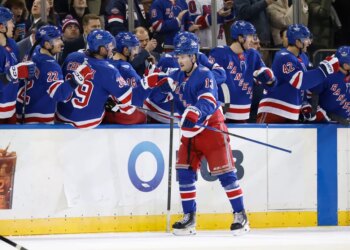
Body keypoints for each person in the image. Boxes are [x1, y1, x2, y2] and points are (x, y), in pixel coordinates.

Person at [144, 31, 249, 235]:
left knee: (226, 174)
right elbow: (161, 89)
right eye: (178, 56)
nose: (180, 59)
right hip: (191, 131)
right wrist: (152, 83)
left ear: (193, 56)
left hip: (212, 128)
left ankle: (240, 215)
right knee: (184, 172)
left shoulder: (204, 74)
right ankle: (189, 218)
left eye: (184, 56)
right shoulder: (176, 75)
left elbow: (208, 100)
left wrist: (195, 111)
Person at [257, 24, 340, 123]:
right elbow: (300, 81)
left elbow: (309, 83)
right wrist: (325, 69)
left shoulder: (303, 57)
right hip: (274, 110)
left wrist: (305, 103)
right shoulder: (283, 57)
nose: (309, 42)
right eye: (306, 39)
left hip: (292, 111)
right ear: (297, 42)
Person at [56, 29, 134, 129]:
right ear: (101, 49)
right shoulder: (109, 70)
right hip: (88, 122)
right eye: (109, 46)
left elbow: (61, 86)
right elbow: (128, 102)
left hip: (61, 116)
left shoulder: (72, 56)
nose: (112, 49)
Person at [15, 25, 89, 124]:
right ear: (47, 44)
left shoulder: (34, 51)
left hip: (22, 109)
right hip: (39, 117)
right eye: (57, 39)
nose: (62, 43)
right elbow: (59, 95)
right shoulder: (50, 65)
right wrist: (75, 80)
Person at [209, 20, 274, 123]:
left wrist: (270, 79)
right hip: (222, 113)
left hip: (244, 114)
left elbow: (266, 76)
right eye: (250, 36)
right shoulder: (219, 53)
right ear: (240, 38)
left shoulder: (253, 54)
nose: (253, 40)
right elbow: (208, 81)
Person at [103, 31, 150, 124]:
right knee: (145, 116)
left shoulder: (104, 62)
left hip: (103, 112)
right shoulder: (126, 67)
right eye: (134, 48)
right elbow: (140, 94)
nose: (136, 53)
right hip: (119, 115)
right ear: (125, 50)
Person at [0, 7, 35, 124]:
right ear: (1, 26)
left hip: (11, 107)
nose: (13, 25)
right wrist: (11, 74)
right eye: (10, 21)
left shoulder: (12, 44)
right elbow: (11, 74)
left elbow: (16, 71)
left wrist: (25, 71)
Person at [301, 45, 350, 125]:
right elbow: (309, 95)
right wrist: (328, 116)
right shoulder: (327, 75)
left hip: (344, 125)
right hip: (324, 125)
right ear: (345, 65)